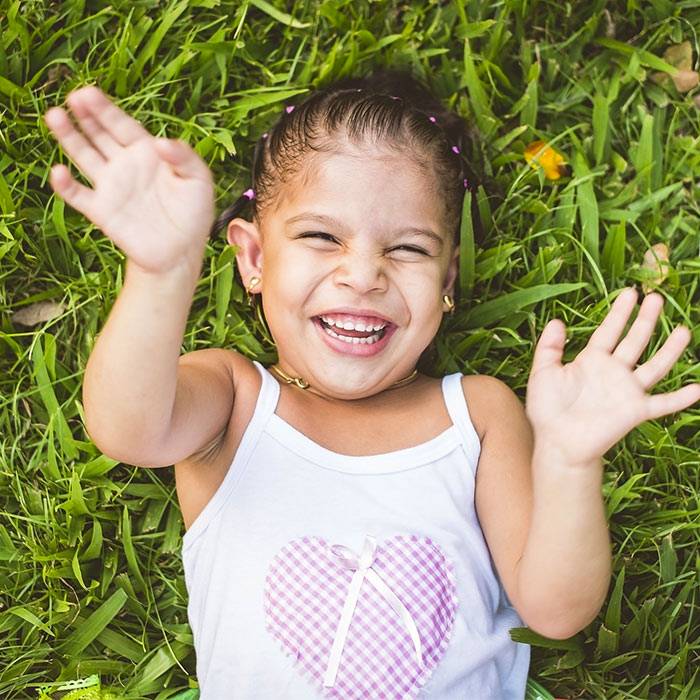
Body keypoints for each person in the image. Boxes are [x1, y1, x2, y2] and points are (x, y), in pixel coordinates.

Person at [43, 68, 698, 700]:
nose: (362, 274)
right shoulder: (234, 400)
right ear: (254, 259)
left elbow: (556, 612)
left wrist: (568, 462)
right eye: (322, 236)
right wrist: (163, 271)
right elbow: (127, 427)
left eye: (408, 249)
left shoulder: (477, 415)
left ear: (445, 284)